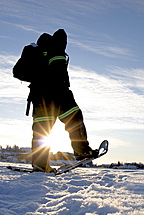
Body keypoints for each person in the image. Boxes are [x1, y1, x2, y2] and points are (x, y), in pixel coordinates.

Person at [29, 29, 97, 173]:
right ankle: (82, 151)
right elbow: (58, 72)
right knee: (74, 120)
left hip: (41, 98)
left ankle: (40, 164)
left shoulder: (37, 52)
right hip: (59, 96)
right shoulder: (56, 49)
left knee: (42, 131)